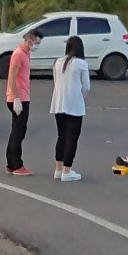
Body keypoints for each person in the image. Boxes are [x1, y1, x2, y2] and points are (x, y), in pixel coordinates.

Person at [50, 35, 90, 182]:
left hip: (59, 104)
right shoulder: (81, 63)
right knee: (72, 138)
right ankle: (67, 170)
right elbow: (86, 86)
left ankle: (58, 169)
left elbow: (56, 82)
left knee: (61, 136)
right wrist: (83, 96)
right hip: (75, 106)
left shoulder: (58, 62)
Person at [5, 29, 43, 176]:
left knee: (18, 130)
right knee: (18, 132)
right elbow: (12, 77)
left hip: (23, 96)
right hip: (18, 98)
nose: (37, 46)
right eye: (37, 42)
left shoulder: (27, 54)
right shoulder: (19, 54)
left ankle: (11, 164)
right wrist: (15, 98)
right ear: (30, 40)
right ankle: (16, 165)